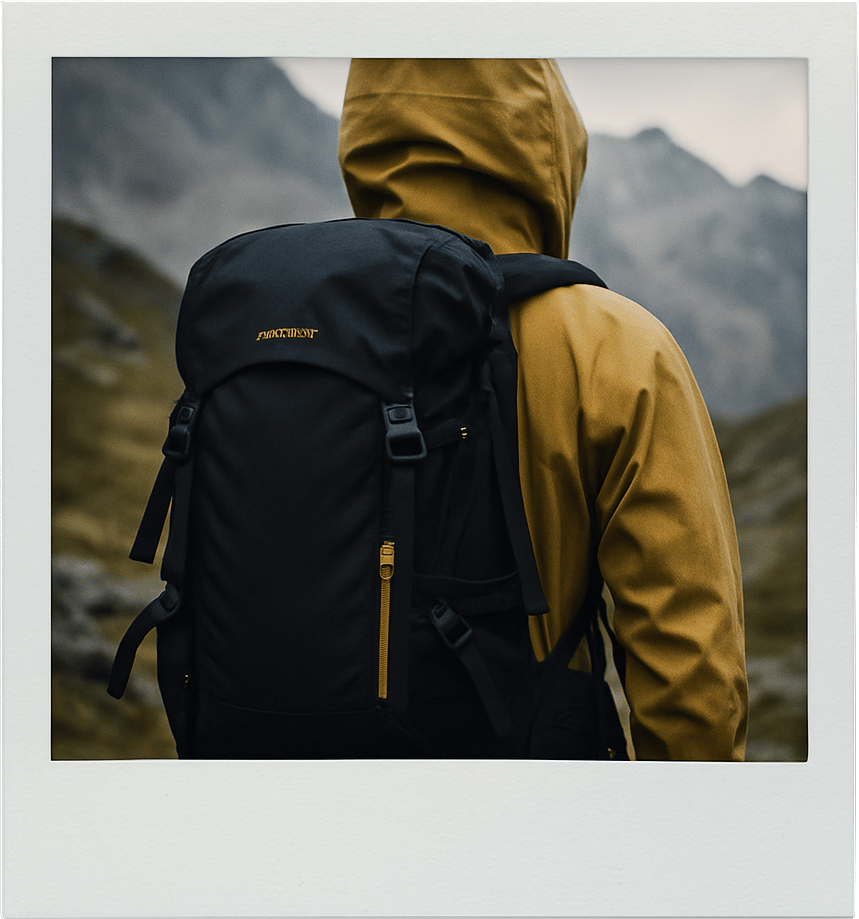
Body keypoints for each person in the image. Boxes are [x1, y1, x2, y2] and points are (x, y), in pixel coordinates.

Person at [337, 58, 748, 761]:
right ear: (548, 142)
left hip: (313, 813)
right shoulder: (616, 347)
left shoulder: (296, 331)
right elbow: (691, 676)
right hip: (536, 811)